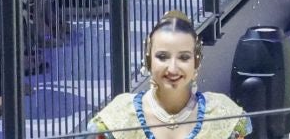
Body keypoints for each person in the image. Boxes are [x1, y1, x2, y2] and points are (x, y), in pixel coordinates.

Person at [88, 11, 251, 139]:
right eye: (162, 57)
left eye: (184, 57)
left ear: (196, 63)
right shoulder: (120, 116)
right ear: (148, 60)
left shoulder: (222, 114)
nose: (172, 69)